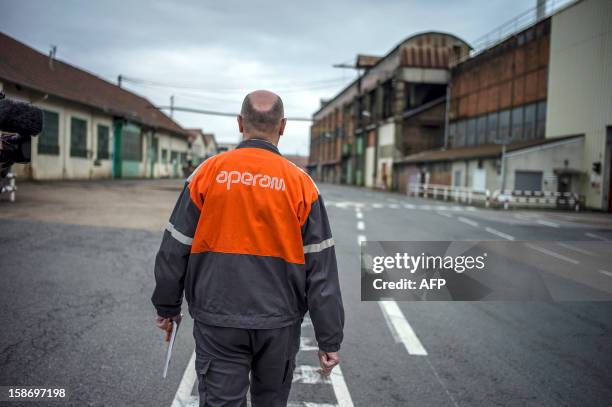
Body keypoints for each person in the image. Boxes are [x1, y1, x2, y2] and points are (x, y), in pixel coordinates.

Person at [152, 90, 345, 407]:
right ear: (282, 127)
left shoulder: (206, 175)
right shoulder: (302, 185)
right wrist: (329, 338)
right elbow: (321, 269)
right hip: (279, 324)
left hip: (218, 318)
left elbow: (174, 248)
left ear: (240, 123)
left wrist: (167, 307)